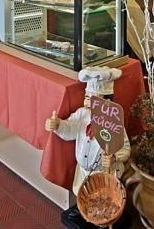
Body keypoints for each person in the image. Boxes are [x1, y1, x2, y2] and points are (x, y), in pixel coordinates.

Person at [44, 67, 130, 195]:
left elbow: (125, 149)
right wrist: (57, 125)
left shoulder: (113, 123)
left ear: (107, 101)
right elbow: (70, 127)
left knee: (102, 200)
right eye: (86, 97)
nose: (87, 103)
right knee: (84, 198)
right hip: (83, 174)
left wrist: (114, 158)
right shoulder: (82, 115)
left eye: (93, 99)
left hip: (104, 175)